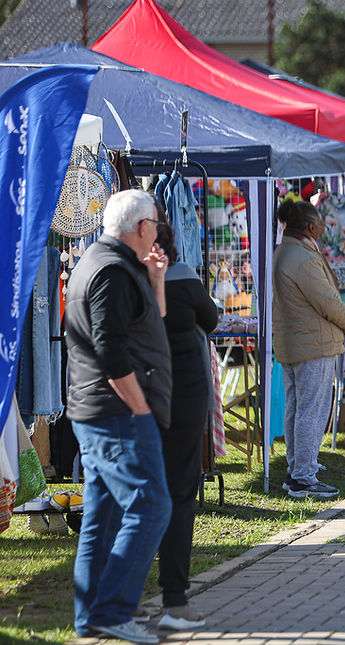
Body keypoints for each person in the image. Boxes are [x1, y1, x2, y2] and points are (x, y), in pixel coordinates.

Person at [64, 190, 173, 645]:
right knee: (151, 506)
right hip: (116, 413)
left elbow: (153, 320)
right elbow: (110, 351)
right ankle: (111, 611)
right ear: (143, 226)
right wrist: (140, 405)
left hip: (104, 412)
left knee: (102, 517)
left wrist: (155, 277)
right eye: (156, 223)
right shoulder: (109, 270)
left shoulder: (114, 263)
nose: (159, 231)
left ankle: (92, 617)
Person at [149, 219, 217, 631]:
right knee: (178, 493)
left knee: (146, 496)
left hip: (142, 397)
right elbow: (210, 320)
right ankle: (173, 596)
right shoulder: (185, 280)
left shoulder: (122, 277)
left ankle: (144, 597)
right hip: (182, 396)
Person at [273, 198, 345, 499]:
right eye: (320, 222)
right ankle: (303, 477)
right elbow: (329, 303)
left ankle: (298, 469)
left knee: (298, 408)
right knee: (310, 411)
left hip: (298, 342)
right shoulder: (302, 257)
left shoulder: (286, 250)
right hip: (312, 345)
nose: (324, 226)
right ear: (310, 226)